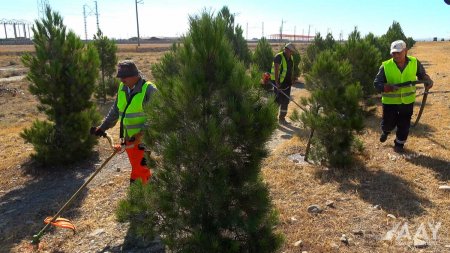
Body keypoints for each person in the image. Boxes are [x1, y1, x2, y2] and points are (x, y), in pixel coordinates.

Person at [92, 60, 157, 184]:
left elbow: (156, 116)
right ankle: (141, 193)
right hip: (129, 139)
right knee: (137, 168)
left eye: (124, 77)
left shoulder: (149, 89)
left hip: (143, 140)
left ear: (135, 75)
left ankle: (143, 196)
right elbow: (116, 110)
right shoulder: (123, 87)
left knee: (141, 169)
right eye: (120, 77)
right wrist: (103, 127)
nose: (121, 80)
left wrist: (140, 135)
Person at [373, 40, 433, 152]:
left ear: (406, 51)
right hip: (390, 103)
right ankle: (386, 131)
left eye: (398, 52)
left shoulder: (414, 62)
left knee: (404, 124)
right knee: (388, 123)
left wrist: (427, 80)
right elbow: (376, 83)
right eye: (393, 53)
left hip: (407, 101)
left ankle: (399, 145)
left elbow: (422, 75)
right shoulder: (385, 66)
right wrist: (388, 87)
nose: (395, 55)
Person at [270, 42, 297, 124]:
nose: (292, 53)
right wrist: (277, 83)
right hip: (278, 82)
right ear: (286, 49)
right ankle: (272, 119)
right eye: (291, 51)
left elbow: (290, 70)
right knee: (277, 101)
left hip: (287, 83)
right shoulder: (279, 57)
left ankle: (282, 118)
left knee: (285, 101)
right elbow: (276, 70)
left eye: (292, 52)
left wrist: (291, 80)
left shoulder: (291, 58)